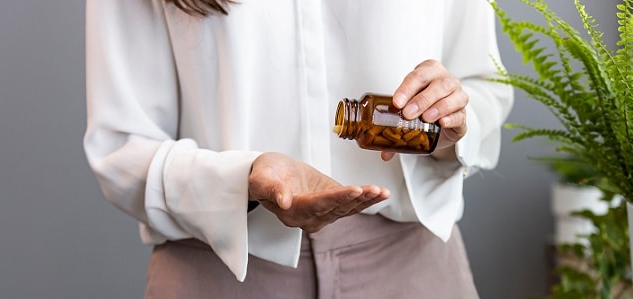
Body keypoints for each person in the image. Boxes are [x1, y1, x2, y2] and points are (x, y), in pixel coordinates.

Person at [83, 0, 513, 298]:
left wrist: (451, 123)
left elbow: (483, 87)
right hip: (224, 274)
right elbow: (121, 146)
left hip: (410, 271)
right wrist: (243, 178)